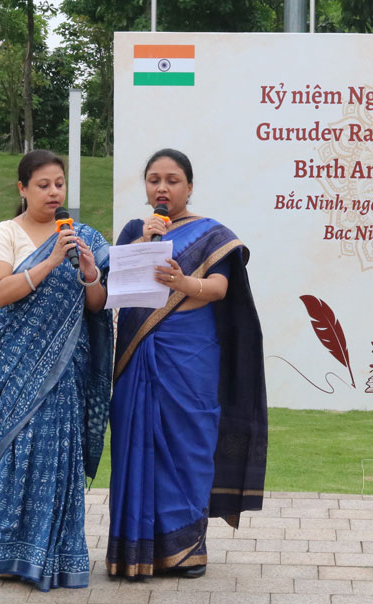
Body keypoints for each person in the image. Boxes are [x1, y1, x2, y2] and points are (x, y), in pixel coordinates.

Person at [106, 148, 268, 580]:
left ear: (189, 186)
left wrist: (182, 281)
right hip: (138, 352)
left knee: (189, 443)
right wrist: (143, 243)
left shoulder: (213, 234)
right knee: (137, 442)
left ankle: (185, 550)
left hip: (191, 352)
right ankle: (135, 549)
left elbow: (218, 287)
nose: (162, 187)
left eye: (173, 179)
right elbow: (114, 284)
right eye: (154, 179)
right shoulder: (134, 231)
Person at [0, 150, 112, 590]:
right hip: (18, 371)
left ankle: (56, 556)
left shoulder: (81, 236)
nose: (54, 192)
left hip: (65, 371)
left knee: (59, 458)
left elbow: (96, 307)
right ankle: (11, 553)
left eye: (59, 184)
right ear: (22, 189)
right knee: (23, 452)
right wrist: (51, 260)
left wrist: (90, 272)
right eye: (43, 185)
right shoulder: (6, 233)